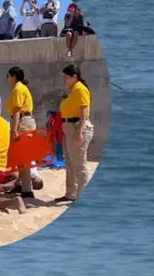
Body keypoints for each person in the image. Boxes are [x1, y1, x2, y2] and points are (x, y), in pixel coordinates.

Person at [57, 64, 94, 203]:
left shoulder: (80, 89)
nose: (65, 80)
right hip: (70, 126)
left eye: (67, 77)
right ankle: (71, 193)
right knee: (70, 162)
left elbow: (84, 112)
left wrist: (79, 132)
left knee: (79, 164)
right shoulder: (73, 90)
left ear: (74, 77)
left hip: (77, 127)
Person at [6, 66, 37, 199]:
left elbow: (17, 110)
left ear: (14, 77)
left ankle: (27, 190)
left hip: (23, 122)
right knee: (21, 157)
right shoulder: (21, 88)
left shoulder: (18, 89)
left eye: (8, 76)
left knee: (23, 157)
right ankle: (20, 184)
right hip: (26, 121)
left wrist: (14, 129)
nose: (7, 78)